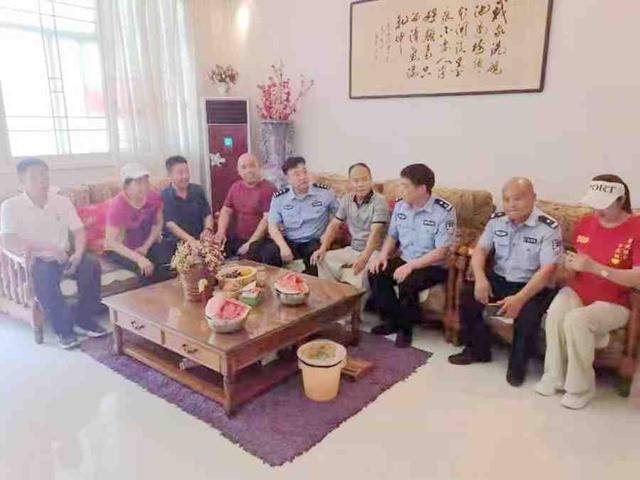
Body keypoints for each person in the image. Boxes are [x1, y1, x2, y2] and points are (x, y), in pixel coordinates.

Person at [535, 175, 640, 409]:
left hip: (616, 301)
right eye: (594, 204)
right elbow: (576, 260)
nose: (597, 211)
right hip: (579, 290)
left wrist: (596, 268)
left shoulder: (637, 228)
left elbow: (637, 277)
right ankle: (554, 375)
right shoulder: (586, 222)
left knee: (577, 320)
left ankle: (580, 387)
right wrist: (567, 268)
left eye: (604, 205)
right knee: (556, 311)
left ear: (621, 200)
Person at [448, 178, 562, 386]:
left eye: (518, 199)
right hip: (500, 278)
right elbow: (480, 250)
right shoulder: (497, 220)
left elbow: (547, 270)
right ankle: (478, 350)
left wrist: (519, 299)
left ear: (533, 198)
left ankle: (518, 365)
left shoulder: (548, 227)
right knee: (468, 295)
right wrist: (480, 279)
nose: (511, 204)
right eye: (507, 199)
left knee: (527, 317)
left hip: (532, 285)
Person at [0, 158, 106, 349]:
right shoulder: (10, 206)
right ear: (22, 181)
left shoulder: (61, 201)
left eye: (44, 175)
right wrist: (46, 248)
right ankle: (63, 330)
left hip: (65, 255)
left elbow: (79, 231)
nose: (42, 180)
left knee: (91, 265)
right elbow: (8, 241)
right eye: (34, 177)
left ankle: (83, 319)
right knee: (45, 275)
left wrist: (78, 254)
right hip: (35, 260)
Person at [368, 163, 456, 348]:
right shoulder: (401, 205)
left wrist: (411, 266)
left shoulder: (444, 211)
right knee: (375, 272)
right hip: (406, 257)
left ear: (422, 189)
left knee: (407, 282)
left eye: (405, 186)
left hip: (433, 265)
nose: (400, 189)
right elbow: (392, 236)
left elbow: (442, 251)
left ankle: (405, 329)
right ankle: (391, 320)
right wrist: (383, 256)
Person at [311, 162, 389, 297]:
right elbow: (334, 225)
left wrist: (364, 258)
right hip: (353, 250)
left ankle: (356, 307)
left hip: (373, 252)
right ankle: (331, 298)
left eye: (364, 179)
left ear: (371, 180)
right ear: (350, 183)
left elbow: (376, 233)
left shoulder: (379, 201)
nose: (360, 184)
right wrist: (323, 248)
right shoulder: (347, 199)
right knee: (322, 259)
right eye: (356, 180)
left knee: (365, 272)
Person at [252, 156, 338, 275]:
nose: (303, 177)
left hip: (313, 240)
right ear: (288, 179)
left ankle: (312, 284)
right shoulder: (280, 197)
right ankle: (275, 283)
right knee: (267, 251)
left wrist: (328, 234)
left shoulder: (325, 193)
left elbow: (340, 216)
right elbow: (272, 226)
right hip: (290, 240)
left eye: (304, 172)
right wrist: (283, 246)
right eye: (297, 174)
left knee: (313, 253)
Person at [105, 163, 174, 284]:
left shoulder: (153, 197)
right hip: (122, 249)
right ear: (126, 185)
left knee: (170, 263)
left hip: (145, 244)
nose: (144, 186)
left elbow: (157, 223)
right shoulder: (117, 206)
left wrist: (146, 247)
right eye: (138, 182)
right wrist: (139, 258)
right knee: (146, 271)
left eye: (146, 181)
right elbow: (111, 242)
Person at [215, 153, 277, 258]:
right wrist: (221, 232)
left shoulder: (269, 189)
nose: (249, 170)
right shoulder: (235, 187)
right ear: (238, 171)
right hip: (239, 238)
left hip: (262, 240)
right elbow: (226, 210)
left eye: (252, 165)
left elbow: (267, 220)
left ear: (259, 167)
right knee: (215, 249)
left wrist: (249, 244)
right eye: (244, 167)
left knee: (269, 252)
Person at [161, 155, 213, 253]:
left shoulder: (197, 190)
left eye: (187, 172)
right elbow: (170, 224)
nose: (185, 176)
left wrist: (208, 230)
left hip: (200, 242)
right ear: (170, 175)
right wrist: (191, 240)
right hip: (176, 246)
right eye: (180, 173)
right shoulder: (164, 195)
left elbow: (207, 214)